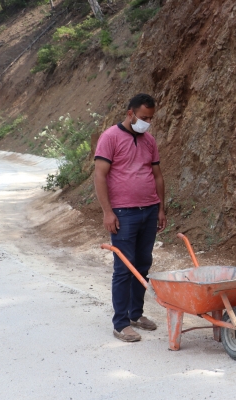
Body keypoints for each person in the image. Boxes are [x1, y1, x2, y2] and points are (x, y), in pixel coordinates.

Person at [94, 93, 167, 343]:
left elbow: (157, 175)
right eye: (144, 117)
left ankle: (136, 314)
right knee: (124, 268)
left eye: (150, 118)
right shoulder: (110, 138)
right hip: (123, 214)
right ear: (130, 114)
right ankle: (121, 323)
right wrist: (107, 211)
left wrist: (160, 208)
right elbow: (100, 176)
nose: (147, 122)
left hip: (148, 211)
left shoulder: (149, 141)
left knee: (143, 264)